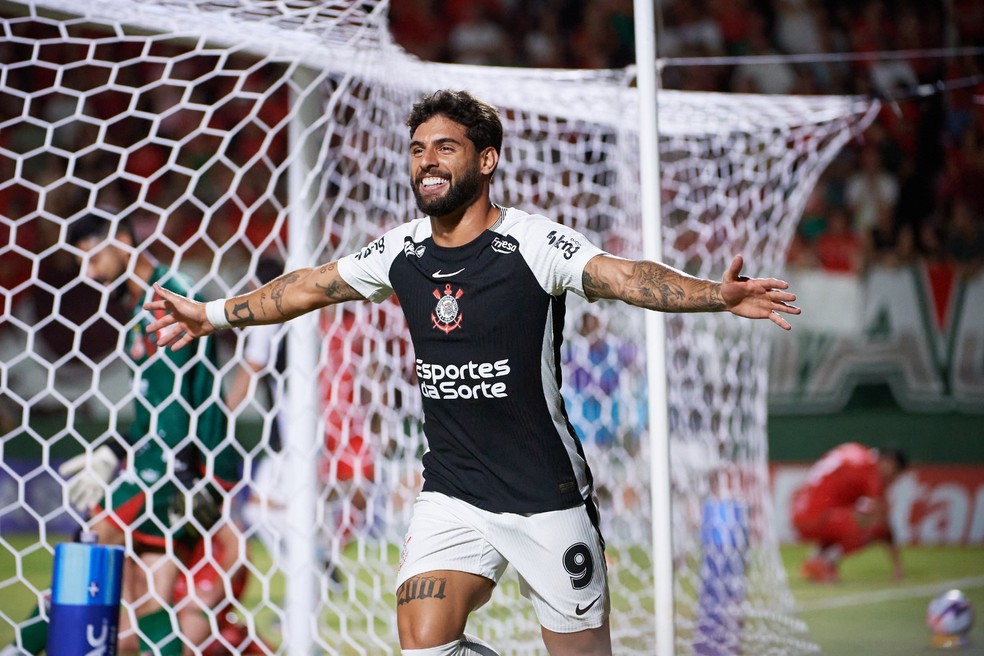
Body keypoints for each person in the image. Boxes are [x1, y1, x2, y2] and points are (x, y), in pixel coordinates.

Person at [143, 89, 800, 656]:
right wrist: (212, 313)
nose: (427, 161)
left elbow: (625, 277)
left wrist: (715, 295)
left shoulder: (535, 242)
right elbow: (312, 286)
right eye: (419, 149)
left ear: (486, 160)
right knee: (422, 638)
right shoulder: (400, 248)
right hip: (453, 491)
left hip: (546, 493)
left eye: (445, 148)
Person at [37, 214, 237, 655]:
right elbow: (151, 414)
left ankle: (20, 648)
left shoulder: (173, 296)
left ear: (123, 240)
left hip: (184, 463)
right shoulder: (135, 312)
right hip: (176, 461)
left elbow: (176, 410)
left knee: (92, 538)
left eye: (92, 259)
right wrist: (111, 450)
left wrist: (182, 471)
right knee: (149, 595)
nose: (88, 275)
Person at [791, 442, 909, 583]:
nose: (893, 479)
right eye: (895, 473)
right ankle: (823, 564)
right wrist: (898, 565)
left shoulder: (855, 451)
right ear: (888, 463)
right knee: (873, 527)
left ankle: (815, 561)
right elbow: (882, 519)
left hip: (801, 515)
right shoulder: (870, 470)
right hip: (818, 518)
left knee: (854, 515)